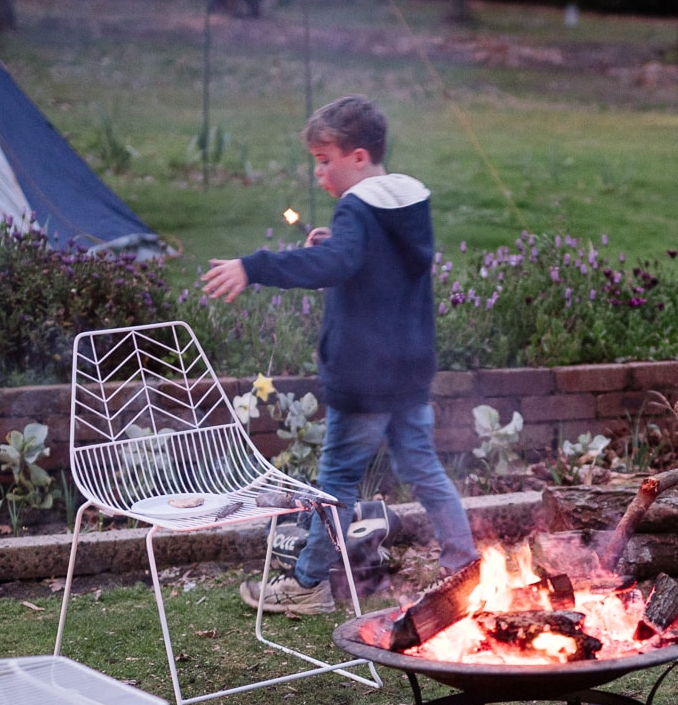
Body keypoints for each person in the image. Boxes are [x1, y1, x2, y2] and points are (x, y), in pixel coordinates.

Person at [201, 94, 478, 614]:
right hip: (408, 370)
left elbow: (334, 265)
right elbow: (381, 265)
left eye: (325, 160)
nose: (319, 173)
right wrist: (341, 244)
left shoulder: (358, 206)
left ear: (358, 156)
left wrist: (253, 265)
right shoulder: (408, 202)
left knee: (334, 485)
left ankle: (308, 584)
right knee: (423, 469)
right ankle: (463, 565)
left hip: (366, 375)